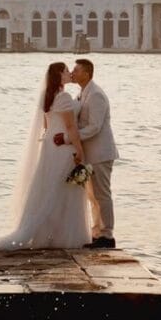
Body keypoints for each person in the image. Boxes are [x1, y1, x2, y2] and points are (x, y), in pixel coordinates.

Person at [0, 62, 91, 251]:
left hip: (51, 146)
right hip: (63, 147)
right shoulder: (64, 97)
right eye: (66, 71)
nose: (70, 73)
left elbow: (46, 125)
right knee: (64, 190)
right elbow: (70, 127)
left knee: (50, 187)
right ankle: (64, 236)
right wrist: (79, 150)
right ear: (59, 75)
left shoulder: (48, 96)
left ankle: (46, 233)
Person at [63, 57, 118, 249]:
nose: (73, 73)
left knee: (102, 194)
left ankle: (107, 235)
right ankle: (96, 233)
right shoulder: (82, 93)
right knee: (92, 196)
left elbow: (94, 127)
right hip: (89, 154)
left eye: (76, 70)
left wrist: (70, 138)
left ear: (87, 73)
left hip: (101, 153)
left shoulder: (96, 95)